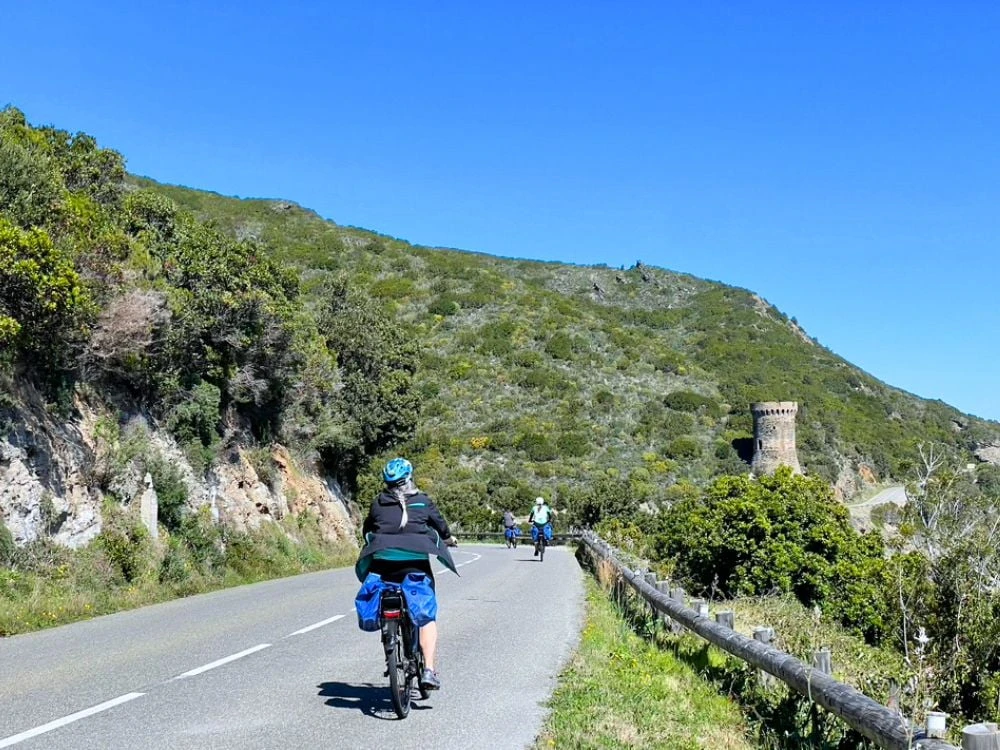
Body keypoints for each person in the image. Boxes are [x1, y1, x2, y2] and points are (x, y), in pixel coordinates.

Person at [355, 457, 457, 690]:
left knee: (386, 600)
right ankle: (429, 670)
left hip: (382, 567)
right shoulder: (423, 501)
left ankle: (389, 639)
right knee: (426, 616)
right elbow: (441, 527)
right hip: (415, 567)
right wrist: (449, 540)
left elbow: (367, 529)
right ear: (410, 477)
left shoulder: (378, 503)